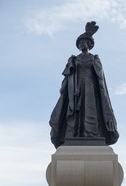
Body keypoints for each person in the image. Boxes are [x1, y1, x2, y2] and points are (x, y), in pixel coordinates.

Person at [49, 21, 119, 149]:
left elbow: (100, 78)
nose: (82, 44)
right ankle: (74, 135)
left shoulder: (94, 58)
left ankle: (92, 135)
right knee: (75, 112)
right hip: (75, 89)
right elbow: (68, 76)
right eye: (80, 43)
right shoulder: (74, 59)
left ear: (90, 44)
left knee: (91, 111)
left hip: (92, 89)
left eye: (84, 42)